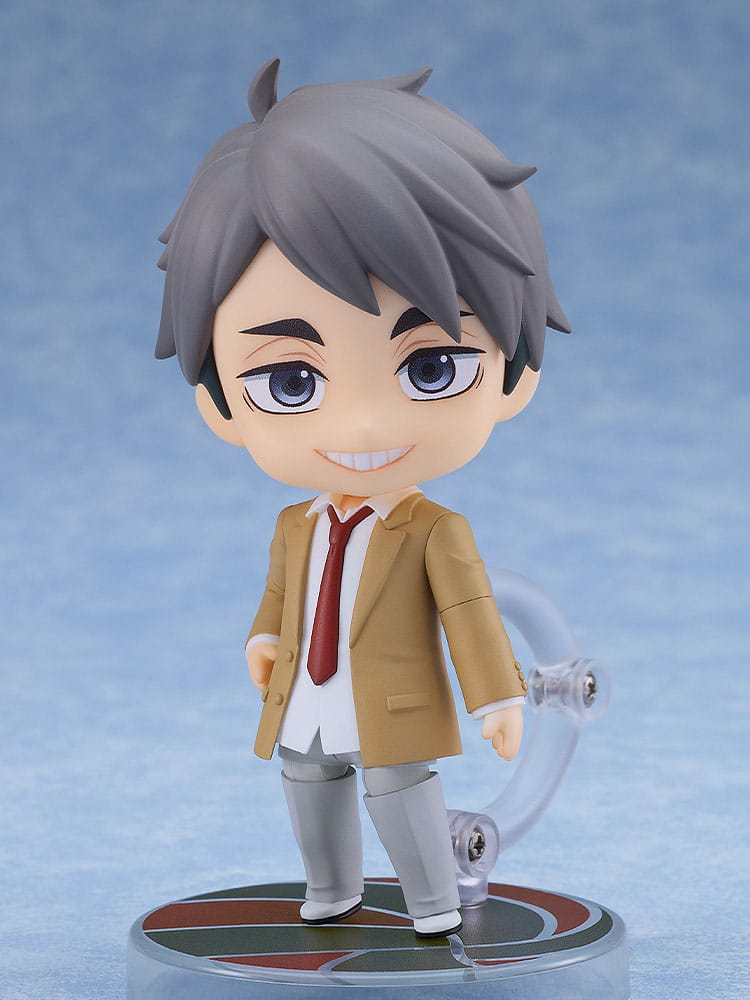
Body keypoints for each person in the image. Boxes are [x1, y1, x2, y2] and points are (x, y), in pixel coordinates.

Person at [156, 58, 569, 937]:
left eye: (432, 366)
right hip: (304, 698)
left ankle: (432, 904)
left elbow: (469, 612)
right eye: (291, 382)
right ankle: (332, 889)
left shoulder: (433, 529)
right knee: (307, 780)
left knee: (398, 790)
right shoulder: (295, 523)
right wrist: (265, 637)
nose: (366, 422)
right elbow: (282, 591)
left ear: (514, 377)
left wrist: (498, 700)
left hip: (394, 704)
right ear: (220, 405)